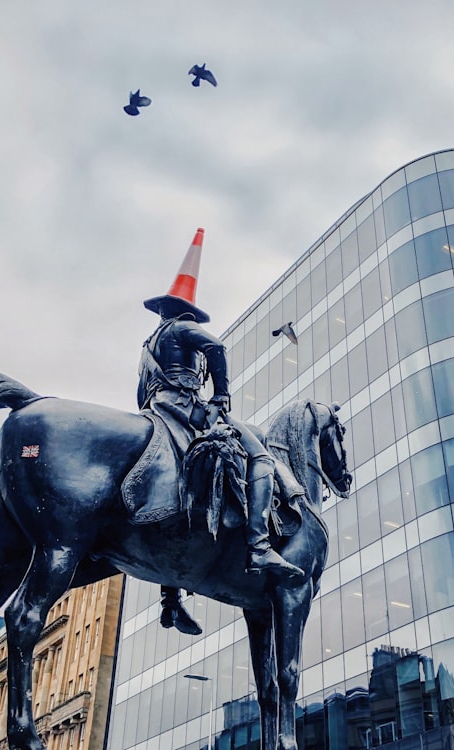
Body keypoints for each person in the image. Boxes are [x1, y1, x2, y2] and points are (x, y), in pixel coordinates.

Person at [141, 229, 303, 634]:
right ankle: (260, 546)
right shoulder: (182, 330)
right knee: (261, 454)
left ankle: (170, 598)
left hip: (157, 408)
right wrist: (222, 396)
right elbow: (216, 348)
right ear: (185, 313)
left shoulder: (149, 342)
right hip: (186, 407)